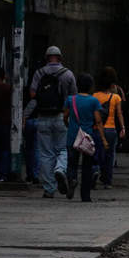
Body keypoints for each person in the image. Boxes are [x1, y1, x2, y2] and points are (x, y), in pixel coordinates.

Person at [29, 45, 78, 198]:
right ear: (60, 58)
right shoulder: (68, 74)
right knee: (62, 149)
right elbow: (74, 97)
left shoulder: (39, 73)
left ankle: (49, 189)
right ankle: (60, 169)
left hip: (43, 117)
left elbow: (32, 94)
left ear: (46, 58)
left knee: (45, 154)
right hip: (61, 117)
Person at [63, 73, 104, 202]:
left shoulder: (70, 99)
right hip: (87, 137)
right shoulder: (94, 101)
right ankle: (85, 195)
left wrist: (69, 125)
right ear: (90, 86)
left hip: (73, 136)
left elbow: (65, 117)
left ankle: (72, 179)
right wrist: (103, 138)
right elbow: (98, 121)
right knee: (87, 167)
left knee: (71, 164)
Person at [93, 67, 125, 187]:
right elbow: (119, 114)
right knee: (110, 155)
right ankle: (107, 181)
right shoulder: (116, 98)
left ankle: (95, 171)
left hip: (97, 129)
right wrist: (122, 128)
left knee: (96, 152)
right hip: (111, 129)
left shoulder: (94, 96)